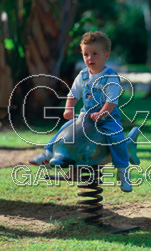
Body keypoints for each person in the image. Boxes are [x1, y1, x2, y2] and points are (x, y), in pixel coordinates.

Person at [29, 31, 132, 192]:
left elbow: (111, 101)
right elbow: (73, 94)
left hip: (107, 118)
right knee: (65, 129)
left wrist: (102, 114)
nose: (89, 58)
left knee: (117, 137)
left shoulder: (110, 77)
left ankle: (123, 171)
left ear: (106, 55)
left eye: (94, 54)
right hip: (85, 117)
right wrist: (69, 108)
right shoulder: (82, 76)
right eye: (86, 54)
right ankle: (48, 153)